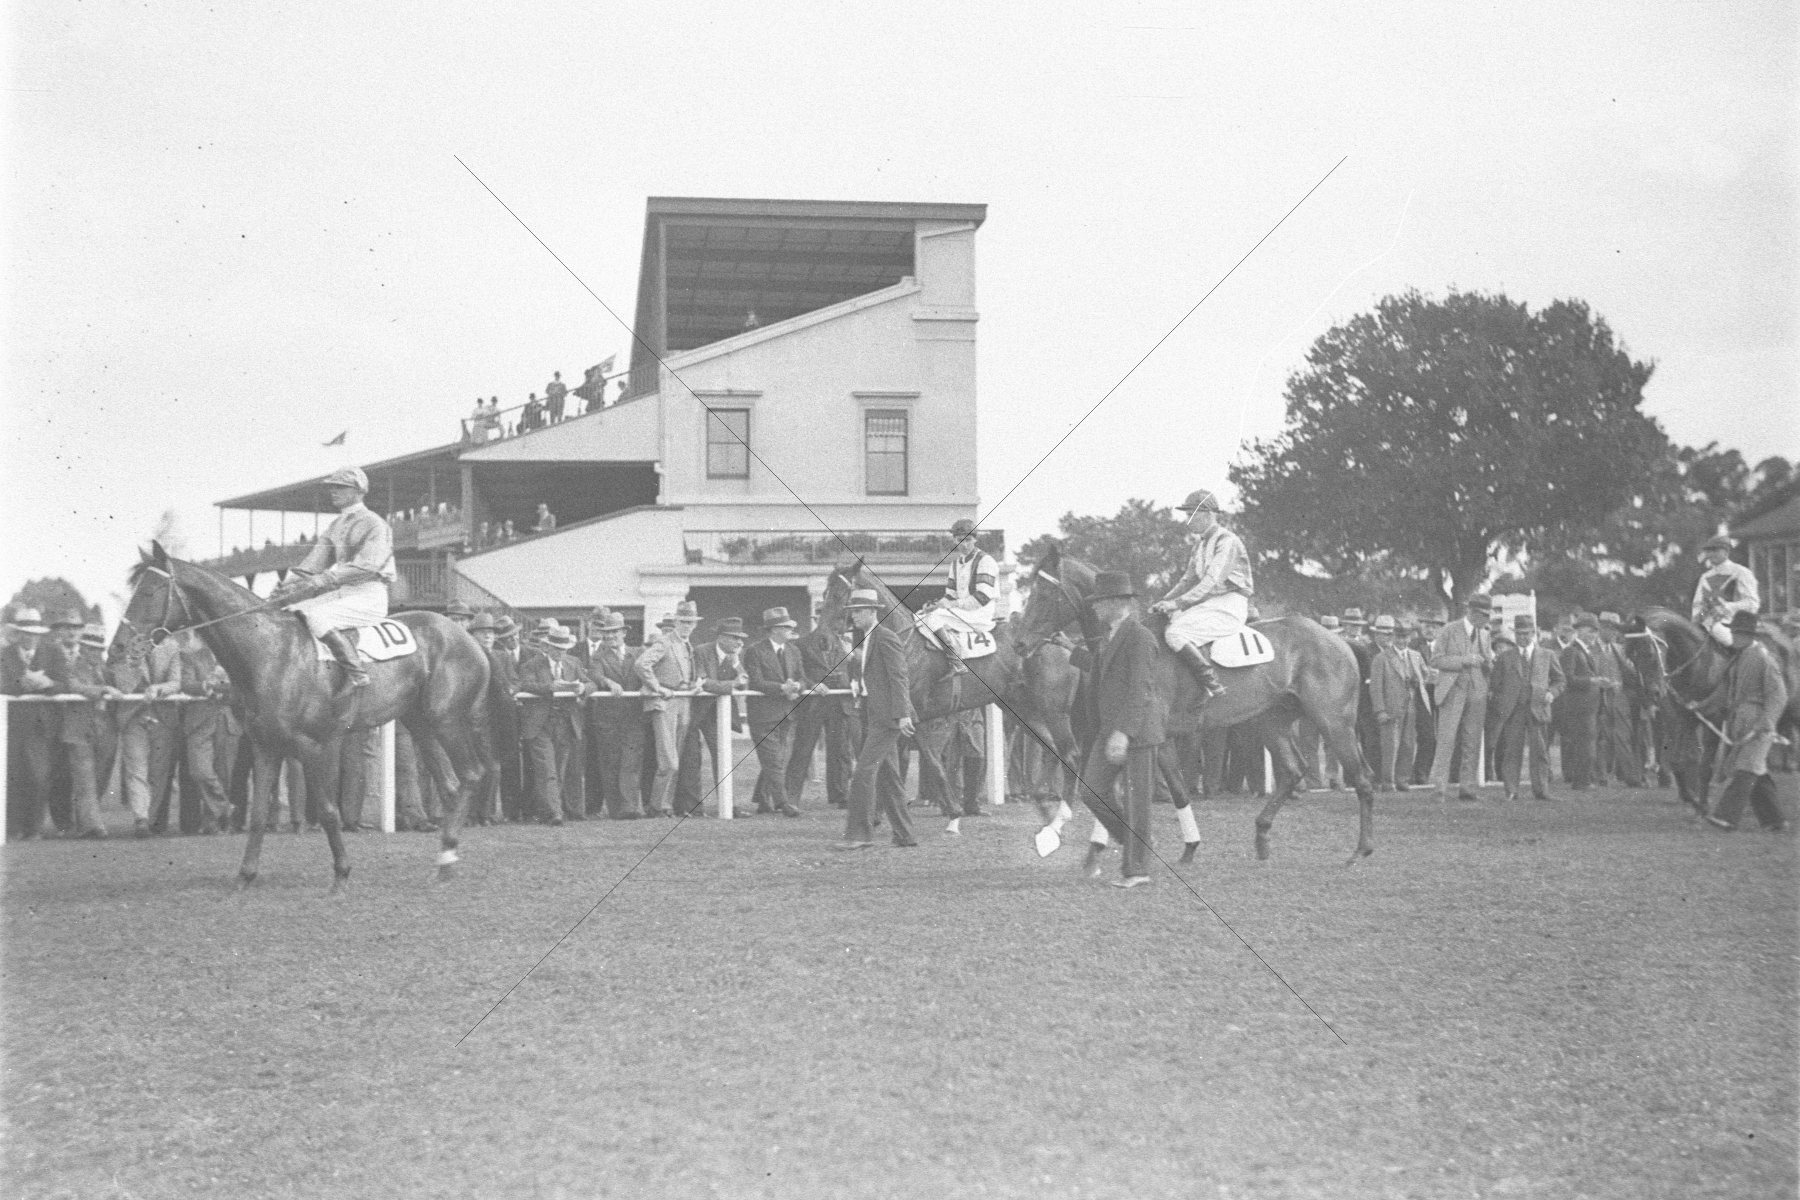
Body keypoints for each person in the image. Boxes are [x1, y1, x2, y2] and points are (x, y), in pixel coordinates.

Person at [1071, 572, 1166, 888]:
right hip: (1108, 730)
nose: (1095, 609)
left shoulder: (1141, 638)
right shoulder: (1109, 637)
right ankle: (1135, 840)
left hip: (1135, 732)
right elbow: (1104, 676)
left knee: (1139, 804)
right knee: (1090, 790)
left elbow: (1140, 690)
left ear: (1116, 603)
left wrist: (1123, 732)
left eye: (1099, 603)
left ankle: (1136, 870)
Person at [271, 465, 395, 692]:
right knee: (292, 612)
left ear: (358, 490)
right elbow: (312, 564)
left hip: (369, 595)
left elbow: (368, 565)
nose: (333, 492)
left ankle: (357, 673)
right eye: (332, 487)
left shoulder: (375, 523)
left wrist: (323, 579)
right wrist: (285, 584)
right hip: (343, 593)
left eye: (340, 487)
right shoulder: (336, 525)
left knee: (316, 615)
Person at [834, 589, 916, 850]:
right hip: (873, 715)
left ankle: (859, 835)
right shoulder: (867, 639)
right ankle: (905, 835)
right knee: (888, 777)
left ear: (872, 612)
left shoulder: (885, 638)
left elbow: (899, 677)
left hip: (887, 719)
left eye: (858, 611)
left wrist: (903, 714)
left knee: (863, 773)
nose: (853, 617)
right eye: (852, 612)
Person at [1151, 488, 1249, 701]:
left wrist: (1176, 603)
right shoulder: (1200, 544)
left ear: (1206, 514)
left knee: (1174, 633)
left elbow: (1211, 582)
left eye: (1190, 515)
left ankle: (1212, 684)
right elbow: (1187, 580)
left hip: (1230, 605)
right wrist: (1165, 601)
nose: (1187, 521)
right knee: (1168, 621)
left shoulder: (1227, 541)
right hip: (1210, 604)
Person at [1699, 611, 1790, 831]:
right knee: (1754, 768)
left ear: (1749, 635)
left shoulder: (1763, 657)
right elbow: (1726, 691)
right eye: (1733, 632)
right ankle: (1775, 820)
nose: (1734, 636)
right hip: (1740, 720)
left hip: (1757, 722)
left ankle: (1726, 817)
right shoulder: (1739, 657)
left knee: (1746, 768)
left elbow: (1778, 694)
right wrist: (1700, 706)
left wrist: (1766, 722)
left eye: (1739, 633)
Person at [109, 623, 182, 837]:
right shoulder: (123, 643)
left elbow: (175, 682)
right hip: (133, 715)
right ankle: (140, 819)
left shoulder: (171, 646)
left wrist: (159, 688)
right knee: (136, 769)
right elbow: (122, 685)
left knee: (158, 772)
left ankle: (151, 816)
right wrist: (133, 665)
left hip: (162, 716)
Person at [1427, 593, 1495, 801]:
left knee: (1472, 741)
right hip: (1453, 690)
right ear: (1471, 612)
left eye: (1487, 617)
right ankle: (1439, 788)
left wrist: (1488, 663)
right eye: (1482, 616)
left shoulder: (1484, 634)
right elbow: (1436, 661)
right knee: (1447, 740)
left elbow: (1487, 663)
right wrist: (1464, 660)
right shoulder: (1449, 630)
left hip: (1477, 692)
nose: (1485, 621)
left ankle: (1467, 787)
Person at [517, 620, 586, 824]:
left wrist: (582, 689)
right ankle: (555, 813)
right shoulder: (531, 665)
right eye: (557, 648)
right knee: (547, 770)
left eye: (564, 649)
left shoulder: (574, 663)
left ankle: (547, 810)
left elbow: (590, 683)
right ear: (547, 647)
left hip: (565, 723)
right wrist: (550, 687)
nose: (560, 653)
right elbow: (526, 683)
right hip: (540, 724)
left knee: (559, 768)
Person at [678, 617, 747, 816]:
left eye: (741, 638)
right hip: (694, 711)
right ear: (721, 638)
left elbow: (744, 682)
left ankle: (729, 806)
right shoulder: (701, 652)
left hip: (718, 715)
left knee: (723, 757)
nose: (739, 642)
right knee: (691, 759)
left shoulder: (734, 656)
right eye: (735, 638)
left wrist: (736, 666)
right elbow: (703, 681)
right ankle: (693, 808)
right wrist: (730, 685)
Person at [636, 601, 700, 818]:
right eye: (683, 622)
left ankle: (665, 805)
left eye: (691, 622)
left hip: (683, 701)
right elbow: (641, 664)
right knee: (668, 761)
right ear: (675, 622)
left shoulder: (687, 645)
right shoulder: (664, 642)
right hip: (664, 704)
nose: (687, 626)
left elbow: (685, 674)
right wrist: (657, 687)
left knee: (676, 758)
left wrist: (694, 685)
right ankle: (655, 806)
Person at [580, 611, 646, 819]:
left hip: (634, 717)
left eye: (614, 632)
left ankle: (630, 806)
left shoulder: (638, 653)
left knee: (631, 761)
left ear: (623, 633)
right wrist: (609, 682)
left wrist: (648, 685)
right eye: (606, 633)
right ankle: (616, 808)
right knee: (610, 762)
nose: (610, 637)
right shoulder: (598, 656)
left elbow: (647, 670)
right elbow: (595, 674)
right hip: (607, 718)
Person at [1491, 614, 1564, 801]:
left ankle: (1541, 790)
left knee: (1540, 751)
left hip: (1537, 708)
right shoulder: (1505, 657)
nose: (1522, 637)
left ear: (1534, 633)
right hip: (1514, 710)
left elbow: (1560, 680)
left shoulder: (1547, 655)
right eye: (1519, 634)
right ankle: (1511, 791)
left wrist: (1551, 693)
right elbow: (1495, 685)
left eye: (1526, 633)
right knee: (1512, 751)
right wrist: (1504, 703)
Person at [786, 611, 854, 809]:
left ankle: (841, 794)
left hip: (839, 703)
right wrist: (812, 684)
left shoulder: (847, 645)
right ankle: (791, 796)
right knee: (803, 748)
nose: (836, 625)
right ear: (816, 621)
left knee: (841, 749)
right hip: (813, 703)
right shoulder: (800, 644)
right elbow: (797, 673)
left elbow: (854, 670)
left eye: (840, 621)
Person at [743, 608, 807, 817]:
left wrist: (797, 686)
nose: (791, 629)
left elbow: (803, 678)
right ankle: (783, 802)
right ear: (773, 630)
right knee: (773, 760)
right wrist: (782, 688)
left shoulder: (793, 651)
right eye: (786, 626)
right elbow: (757, 681)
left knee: (776, 759)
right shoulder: (755, 651)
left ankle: (763, 799)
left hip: (787, 713)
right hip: (763, 715)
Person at [56, 624, 116, 838]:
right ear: (83, 648)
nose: (95, 652)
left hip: (102, 729)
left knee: (99, 778)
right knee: (85, 779)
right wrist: (101, 690)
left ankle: (86, 822)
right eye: (91, 648)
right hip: (78, 730)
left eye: (99, 649)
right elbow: (74, 685)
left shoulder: (104, 669)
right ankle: (94, 825)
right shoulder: (73, 665)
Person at [919, 519, 998, 671]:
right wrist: (935, 605)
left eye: (968, 539)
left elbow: (982, 597)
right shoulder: (955, 564)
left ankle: (956, 662)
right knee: (921, 616)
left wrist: (951, 605)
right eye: (959, 540)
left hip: (980, 612)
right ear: (954, 540)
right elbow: (950, 595)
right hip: (962, 611)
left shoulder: (985, 561)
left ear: (975, 539)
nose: (964, 544)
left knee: (933, 618)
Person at [174, 630, 233, 834]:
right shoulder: (191, 657)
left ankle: (213, 823)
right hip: (199, 721)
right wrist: (207, 686)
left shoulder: (231, 656)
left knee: (222, 773)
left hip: (226, 721)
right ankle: (225, 807)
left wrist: (223, 687)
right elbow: (186, 684)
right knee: (200, 771)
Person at [1368, 615, 1417, 792]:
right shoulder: (1381, 659)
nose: (1402, 641)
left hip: (1410, 707)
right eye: (1398, 637)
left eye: (1405, 637)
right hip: (1390, 708)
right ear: (1393, 638)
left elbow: (1425, 676)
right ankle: (1388, 781)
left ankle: (1402, 778)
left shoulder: (1415, 656)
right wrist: (1380, 710)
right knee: (1390, 746)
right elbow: (1375, 688)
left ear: (1410, 638)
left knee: (1408, 744)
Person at [1558, 613, 1607, 789]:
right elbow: (1567, 678)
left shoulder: (1585, 651)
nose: (1593, 635)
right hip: (1579, 707)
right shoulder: (1571, 651)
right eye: (1590, 631)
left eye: (1595, 632)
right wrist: (1592, 681)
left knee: (1588, 744)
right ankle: (1581, 781)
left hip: (1589, 705)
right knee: (1583, 745)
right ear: (1578, 631)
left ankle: (1584, 779)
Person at [1596, 612, 1645, 787]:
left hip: (1619, 698)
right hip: (1597, 698)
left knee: (1622, 736)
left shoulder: (1620, 649)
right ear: (1600, 628)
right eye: (1608, 628)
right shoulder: (1590, 648)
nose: (1613, 633)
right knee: (1601, 738)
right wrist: (1602, 683)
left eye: (1615, 629)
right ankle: (1601, 775)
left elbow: (1630, 673)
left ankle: (1630, 776)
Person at [1691, 534, 1759, 648]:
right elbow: (1697, 605)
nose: (1711, 554)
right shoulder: (1704, 577)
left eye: (1715, 550)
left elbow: (1753, 604)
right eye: (1708, 550)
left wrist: (1726, 607)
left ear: (1727, 551)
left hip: (1734, 624)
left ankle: (1740, 656)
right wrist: (1698, 618)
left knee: (1716, 630)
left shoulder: (1741, 572)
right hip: (1707, 622)